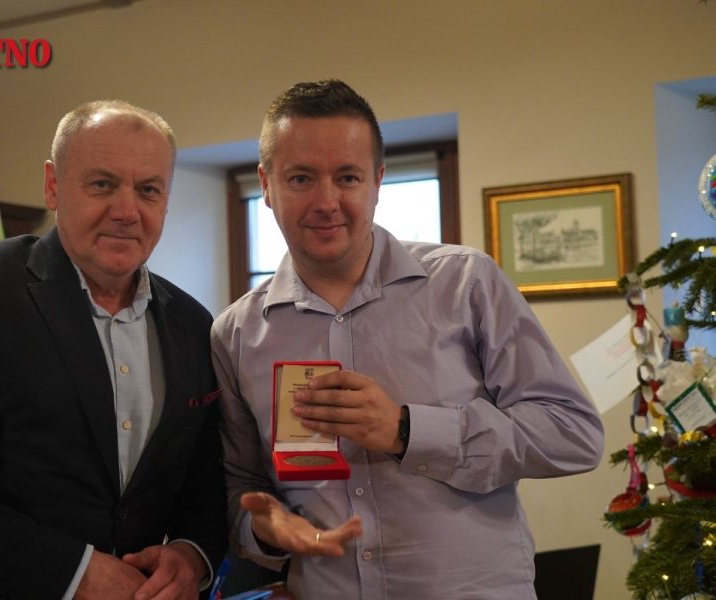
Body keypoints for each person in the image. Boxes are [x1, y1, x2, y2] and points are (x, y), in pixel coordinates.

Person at [211, 80, 605, 599]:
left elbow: (573, 433)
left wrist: (405, 429)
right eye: (301, 178)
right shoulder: (236, 333)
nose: (326, 202)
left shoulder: (466, 283)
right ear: (266, 184)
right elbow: (242, 488)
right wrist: (265, 529)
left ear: (377, 181)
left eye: (347, 177)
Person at [0, 100, 227, 600]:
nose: (127, 211)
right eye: (102, 184)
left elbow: (203, 481)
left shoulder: (193, 323)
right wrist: (74, 573)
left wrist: (192, 554)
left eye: (149, 190)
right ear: (53, 186)